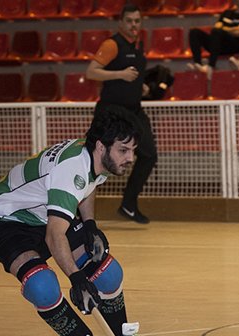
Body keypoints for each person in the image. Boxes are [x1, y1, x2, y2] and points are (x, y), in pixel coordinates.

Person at [0, 107, 153, 336]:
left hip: (42, 215)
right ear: (101, 146)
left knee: (106, 271)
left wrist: (91, 223)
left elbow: (88, 185)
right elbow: (54, 235)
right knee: (42, 285)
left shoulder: (96, 159)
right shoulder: (71, 169)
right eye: (124, 150)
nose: (130, 158)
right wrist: (75, 277)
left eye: (132, 150)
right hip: (5, 220)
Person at [86, 3, 156, 224]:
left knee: (148, 155)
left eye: (137, 21)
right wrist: (120, 74)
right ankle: (78, 210)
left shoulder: (137, 46)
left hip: (134, 110)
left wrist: (140, 86)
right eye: (129, 21)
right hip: (112, 111)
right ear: (120, 23)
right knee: (95, 160)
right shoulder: (111, 44)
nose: (134, 25)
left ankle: (128, 204)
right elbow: (91, 72)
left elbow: (132, 75)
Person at [187, 0, 239, 78]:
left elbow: (238, 33)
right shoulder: (226, 13)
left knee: (217, 32)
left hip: (235, 45)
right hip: (218, 44)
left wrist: (224, 28)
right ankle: (198, 64)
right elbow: (217, 27)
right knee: (194, 32)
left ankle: (211, 65)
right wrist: (233, 29)